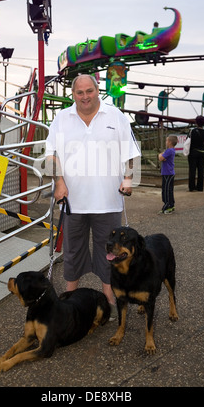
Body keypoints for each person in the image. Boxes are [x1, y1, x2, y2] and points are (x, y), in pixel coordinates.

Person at [45, 74, 141, 314]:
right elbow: (51, 154)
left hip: (108, 200)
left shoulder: (115, 116)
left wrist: (129, 178)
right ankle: (70, 296)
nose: (85, 96)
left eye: (89, 91)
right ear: (73, 94)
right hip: (72, 201)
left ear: (97, 91)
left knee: (109, 251)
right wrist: (58, 182)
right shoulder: (61, 118)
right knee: (73, 250)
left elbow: (131, 152)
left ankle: (108, 296)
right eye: (80, 92)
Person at [158, 135, 177, 214]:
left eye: (166, 141)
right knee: (168, 189)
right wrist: (162, 155)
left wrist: (160, 155)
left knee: (166, 190)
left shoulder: (169, 151)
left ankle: (168, 205)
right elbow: (163, 158)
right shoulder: (169, 151)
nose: (166, 142)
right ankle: (171, 204)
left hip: (168, 174)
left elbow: (161, 158)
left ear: (169, 142)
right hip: (167, 173)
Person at [188, 115, 204, 191]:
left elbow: (188, 140)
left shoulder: (193, 131)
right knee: (200, 170)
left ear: (196, 122)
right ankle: (200, 187)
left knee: (192, 170)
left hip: (193, 152)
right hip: (202, 152)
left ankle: (192, 187)